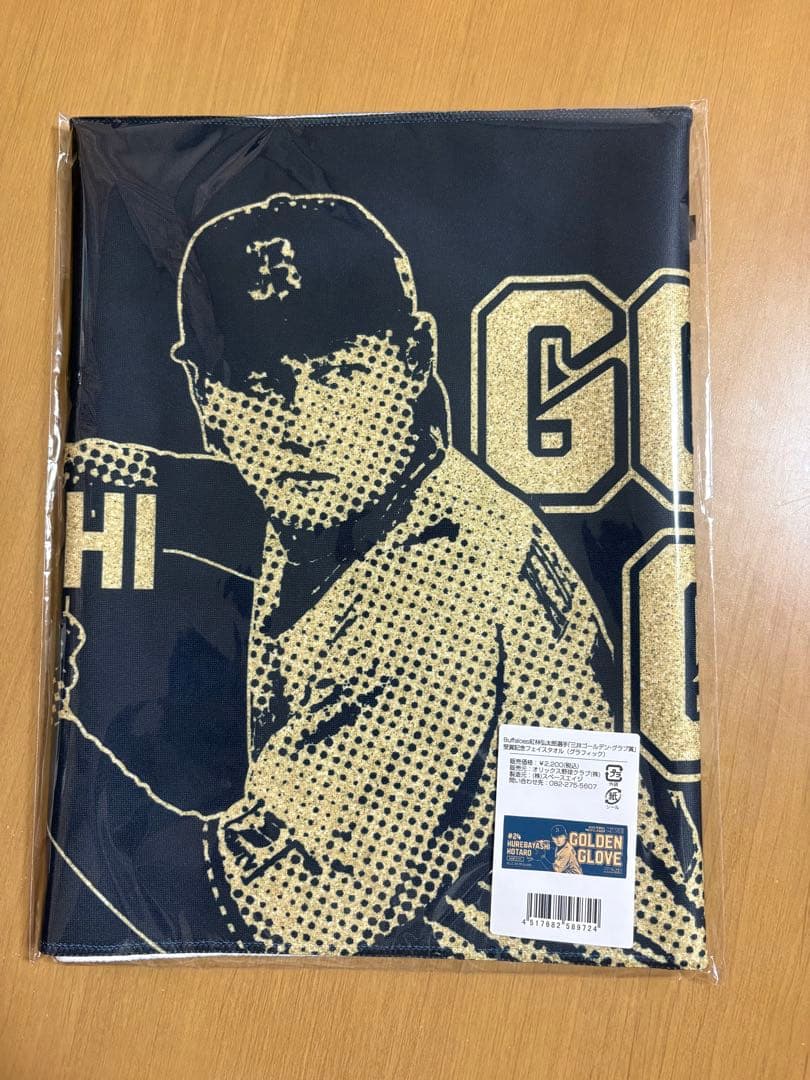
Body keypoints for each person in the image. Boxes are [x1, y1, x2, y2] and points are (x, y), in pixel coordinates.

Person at [51, 193, 616, 959]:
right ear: (206, 398)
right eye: (255, 383)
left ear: (414, 359)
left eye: (340, 371)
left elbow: (247, 917)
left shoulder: (437, 601)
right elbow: (216, 499)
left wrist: (56, 739)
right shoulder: (370, 490)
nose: (302, 425)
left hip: (548, 996)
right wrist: (70, 481)